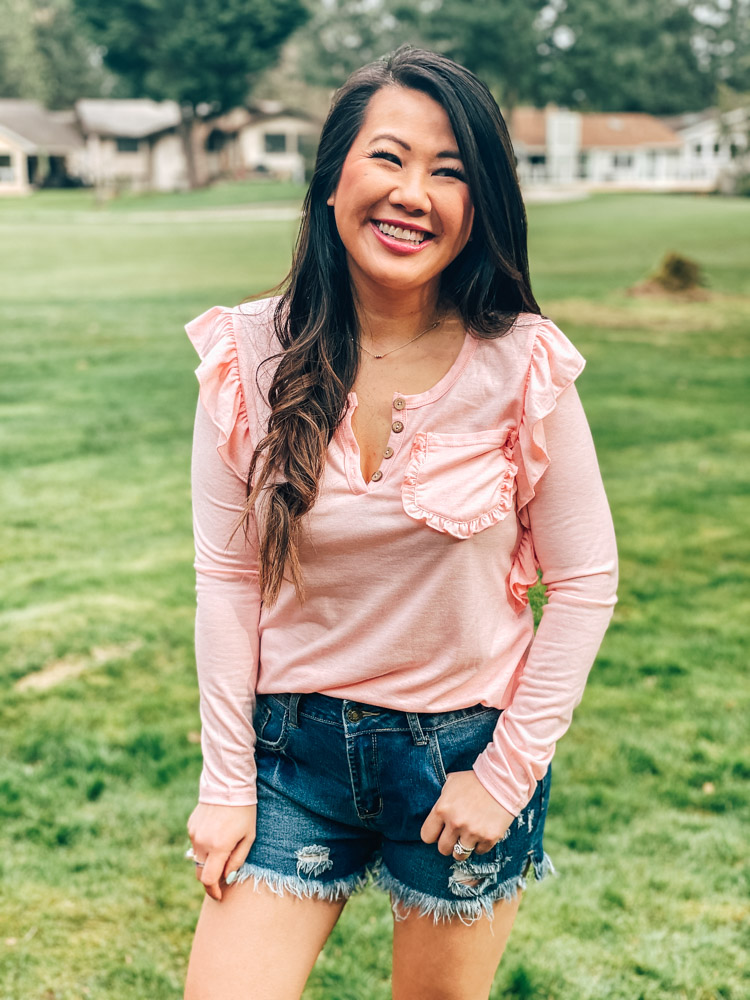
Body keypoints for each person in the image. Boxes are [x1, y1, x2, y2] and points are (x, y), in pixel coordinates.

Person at [182, 44, 618, 1000]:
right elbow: (229, 578)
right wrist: (226, 783)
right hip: (292, 757)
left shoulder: (522, 367)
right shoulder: (249, 353)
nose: (413, 193)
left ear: (480, 206)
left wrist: (505, 777)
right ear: (333, 177)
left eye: (449, 171)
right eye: (389, 157)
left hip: (463, 755)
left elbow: (586, 584)